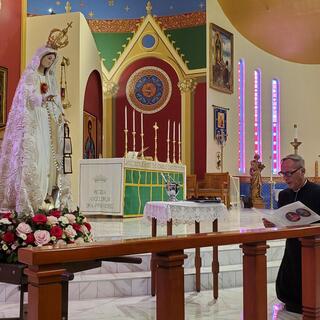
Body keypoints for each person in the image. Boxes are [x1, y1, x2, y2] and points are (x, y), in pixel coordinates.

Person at [0, 24, 73, 214]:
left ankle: (44, 198)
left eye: (52, 59)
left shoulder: (50, 78)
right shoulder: (32, 75)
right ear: (40, 57)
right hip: (35, 119)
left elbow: (57, 100)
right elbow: (28, 98)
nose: (49, 61)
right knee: (36, 157)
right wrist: (43, 98)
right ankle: (31, 199)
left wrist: (62, 117)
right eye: (48, 57)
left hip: (47, 119)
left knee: (47, 159)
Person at [263, 154, 320, 313]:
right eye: (283, 173)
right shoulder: (284, 195)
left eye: (289, 173)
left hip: (314, 247)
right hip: (292, 247)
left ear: (302, 171)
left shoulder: (317, 192)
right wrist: (274, 224)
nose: (285, 178)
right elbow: (283, 224)